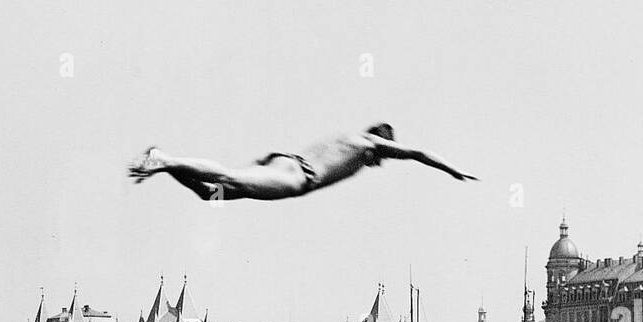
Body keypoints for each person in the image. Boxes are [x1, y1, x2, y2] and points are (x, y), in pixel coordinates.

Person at [128, 123, 476, 202]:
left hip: (286, 162)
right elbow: (417, 153)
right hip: (296, 179)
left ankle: (168, 166)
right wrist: (452, 169)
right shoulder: (369, 144)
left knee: (211, 194)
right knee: (228, 175)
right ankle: (165, 158)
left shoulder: (345, 138)